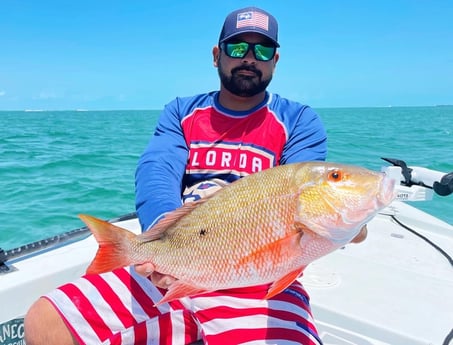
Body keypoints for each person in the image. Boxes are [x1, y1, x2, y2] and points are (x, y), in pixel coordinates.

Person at [24, 6, 364, 344]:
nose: (249, 58)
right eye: (236, 48)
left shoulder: (299, 120)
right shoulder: (182, 112)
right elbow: (157, 171)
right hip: (176, 266)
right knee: (47, 320)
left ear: (275, 60)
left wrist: (351, 221)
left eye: (262, 50)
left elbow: (307, 201)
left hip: (261, 278)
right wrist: (160, 243)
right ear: (217, 55)